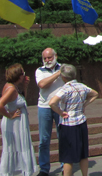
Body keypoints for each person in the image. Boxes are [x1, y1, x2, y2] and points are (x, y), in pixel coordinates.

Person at [49, 64, 99, 176]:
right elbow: (95, 93)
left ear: (63, 77)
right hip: (81, 121)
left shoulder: (65, 89)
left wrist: (60, 112)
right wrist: (84, 104)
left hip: (68, 124)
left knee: (67, 156)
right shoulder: (82, 86)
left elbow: (52, 102)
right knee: (83, 153)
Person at [0, 63, 37, 176]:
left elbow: (22, 100)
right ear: (19, 76)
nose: (24, 75)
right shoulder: (11, 89)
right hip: (15, 124)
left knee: (18, 147)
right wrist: (9, 115)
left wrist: (25, 87)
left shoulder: (13, 86)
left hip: (18, 123)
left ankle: (19, 172)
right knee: (15, 147)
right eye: (23, 73)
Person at [36, 48, 65, 176]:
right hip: (44, 107)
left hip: (60, 107)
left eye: (50, 57)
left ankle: (65, 166)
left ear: (55, 56)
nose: (47, 60)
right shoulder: (40, 70)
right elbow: (42, 84)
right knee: (44, 140)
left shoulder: (64, 67)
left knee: (63, 137)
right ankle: (44, 169)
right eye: (45, 58)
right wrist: (57, 74)